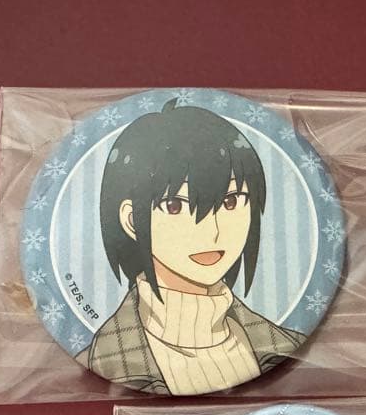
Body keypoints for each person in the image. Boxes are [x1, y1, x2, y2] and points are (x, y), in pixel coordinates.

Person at [79, 98, 304, 395]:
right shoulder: (110, 356)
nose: (212, 231)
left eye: (231, 201)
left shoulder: (281, 345)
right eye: (175, 205)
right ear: (132, 220)